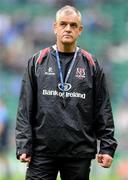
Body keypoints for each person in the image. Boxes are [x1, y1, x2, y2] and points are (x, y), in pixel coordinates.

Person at [15, 5, 117, 180]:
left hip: (79, 153)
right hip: (42, 152)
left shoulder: (91, 64)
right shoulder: (37, 61)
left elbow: (103, 109)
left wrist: (107, 147)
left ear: (80, 30)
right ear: (55, 27)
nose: (68, 29)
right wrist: (24, 144)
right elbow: (25, 108)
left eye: (73, 25)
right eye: (63, 24)